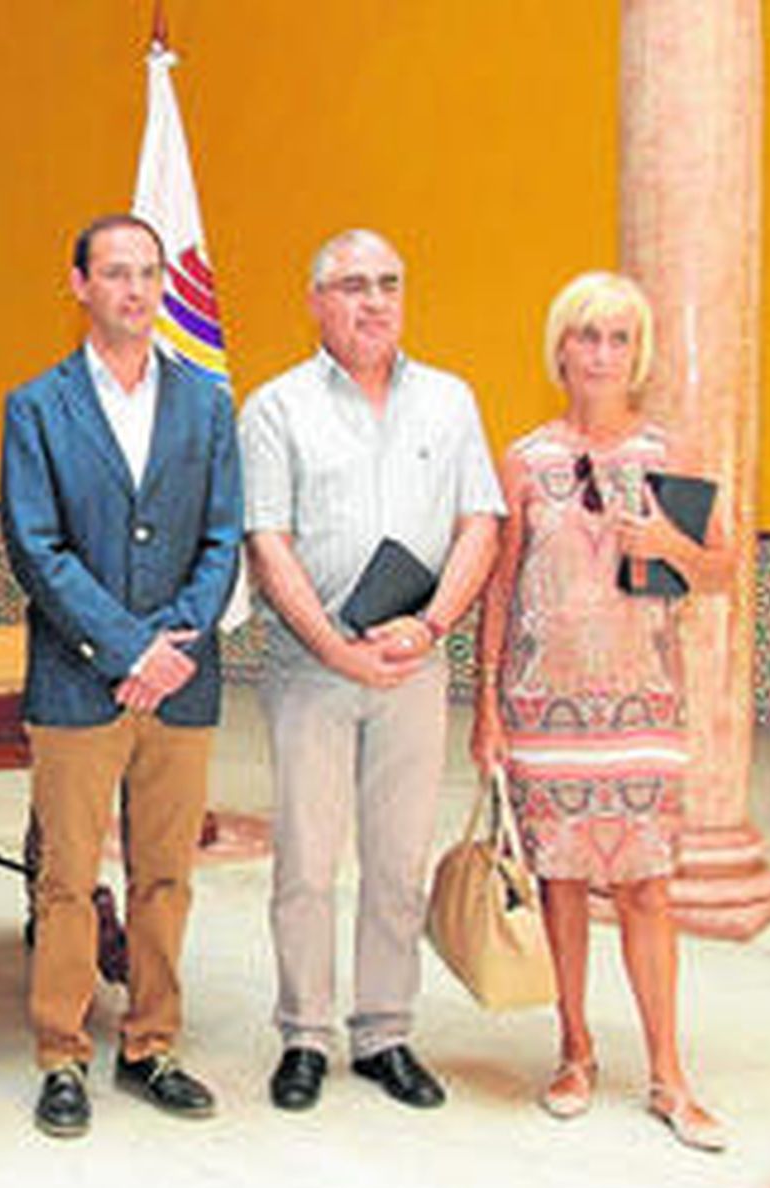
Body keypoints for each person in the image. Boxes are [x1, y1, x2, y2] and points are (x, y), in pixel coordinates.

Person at [241, 228, 502, 1113]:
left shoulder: (450, 400)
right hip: (311, 667)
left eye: (388, 282)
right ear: (316, 301)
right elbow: (268, 542)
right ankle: (304, 1034)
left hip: (412, 667)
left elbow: (480, 524)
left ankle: (385, 1030)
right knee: (307, 862)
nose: (374, 300)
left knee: (398, 863)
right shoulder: (275, 408)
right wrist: (333, 645)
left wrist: (430, 627)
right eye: (352, 285)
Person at [471, 270, 731, 1151]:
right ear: (561, 349)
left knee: (650, 887)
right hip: (544, 708)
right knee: (562, 884)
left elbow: (724, 570)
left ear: (639, 354)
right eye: (588, 336)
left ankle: (669, 1073)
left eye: (620, 339)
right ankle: (575, 1050)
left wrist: (668, 544)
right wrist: (488, 711)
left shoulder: (671, 454)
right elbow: (499, 589)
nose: (603, 354)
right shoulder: (524, 459)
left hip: (644, 705)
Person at [1, 214, 242, 1138]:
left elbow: (223, 536)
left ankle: (152, 1042)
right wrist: (126, 647)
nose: (135, 291)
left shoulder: (207, 403)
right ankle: (61, 1051)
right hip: (78, 680)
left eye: (148, 274)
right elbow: (36, 544)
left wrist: (171, 644)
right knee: (67, 878)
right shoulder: (38, 405)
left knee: (165, 873)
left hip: (183, 679)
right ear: (79, 285)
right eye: (115, 273)